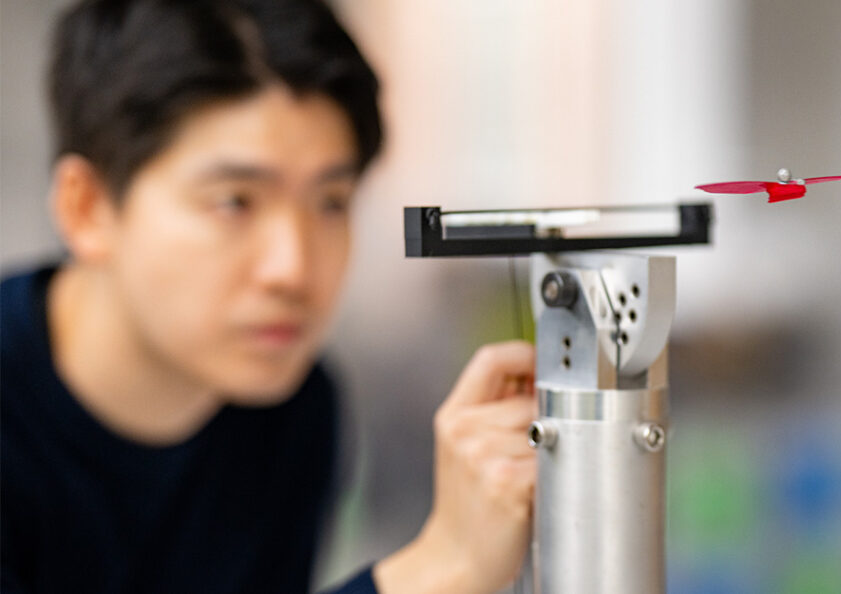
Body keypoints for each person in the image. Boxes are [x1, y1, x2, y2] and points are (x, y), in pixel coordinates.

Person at [0, 1, 537, 593]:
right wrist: (440, 569)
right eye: (234, 201)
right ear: (88, 207)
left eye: (330, 202)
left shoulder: (291, 408)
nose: (294, 267)